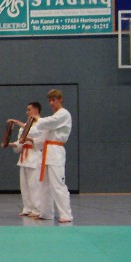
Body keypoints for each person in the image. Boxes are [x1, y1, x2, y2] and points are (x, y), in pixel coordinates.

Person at [33, 89, 73, 223]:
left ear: (60, 99)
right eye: (49, 100)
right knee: (44, 185)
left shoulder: (63, 114)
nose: (51, 103)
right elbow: (42, 133)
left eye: (54, 100)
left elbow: (47, 122)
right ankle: (46, 213)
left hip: (56, 151)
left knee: (58, 184)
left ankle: (66, 214)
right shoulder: (52, 118)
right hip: (47, 151)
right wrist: (28, 137)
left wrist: (38, 119)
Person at [6, 102, 42, 217]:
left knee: (34, 185)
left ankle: (37, 209)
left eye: (29, 110)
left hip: (35, 157)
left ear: (36, 110)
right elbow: (20, 144)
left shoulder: (41, 123)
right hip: (24, 158)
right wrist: (10, 144)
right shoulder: (25, 126)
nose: (27, 112)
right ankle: (27, 208)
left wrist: (18, 123)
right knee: (24, 185)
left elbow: (35, 136)